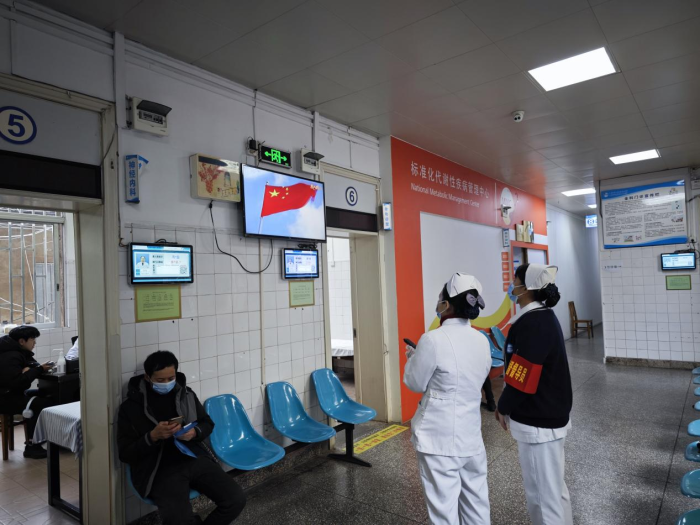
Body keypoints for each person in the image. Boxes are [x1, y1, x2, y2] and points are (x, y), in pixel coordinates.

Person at [117, 351, 246, 525]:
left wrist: (194, 433)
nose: (167, 383)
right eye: (160, 380)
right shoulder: (130, 408)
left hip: (193, 457)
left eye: (171, 378)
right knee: (178, 521)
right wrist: (152, 437)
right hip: (158, 469)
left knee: (235, 500)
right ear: (148, 377)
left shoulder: (185, 394)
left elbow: (207, 423)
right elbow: (125, 453)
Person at [404, 273, 492, 525]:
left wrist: (413, 358)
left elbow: (415, 383)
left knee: (444, 511)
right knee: (476, 505)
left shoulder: (432, 339)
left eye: (440, 298)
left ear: (447, 304)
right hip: (471, 435)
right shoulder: (481, 340)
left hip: (438, 439)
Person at [495, 264, 573, 525]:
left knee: (542, 496)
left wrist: (503, 406)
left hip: (539, 422)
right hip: (548, 415)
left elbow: (522, 375)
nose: (512, 286)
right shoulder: (543, 316)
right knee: (554, 490)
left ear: (527, 288)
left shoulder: (534, 322)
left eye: (515, 281)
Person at [0, 325, 55, 459]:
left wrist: (33, 369)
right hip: (5, 398)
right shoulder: (11, 355)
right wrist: (37, 370)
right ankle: (32, 446)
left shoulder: (16, 350)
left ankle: (41, 439)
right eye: (32, 339)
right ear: (22, 341)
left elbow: (31, 365)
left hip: (10, 393)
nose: (35, 343)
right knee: (40, 403)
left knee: (42, 394)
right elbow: (18, 383)